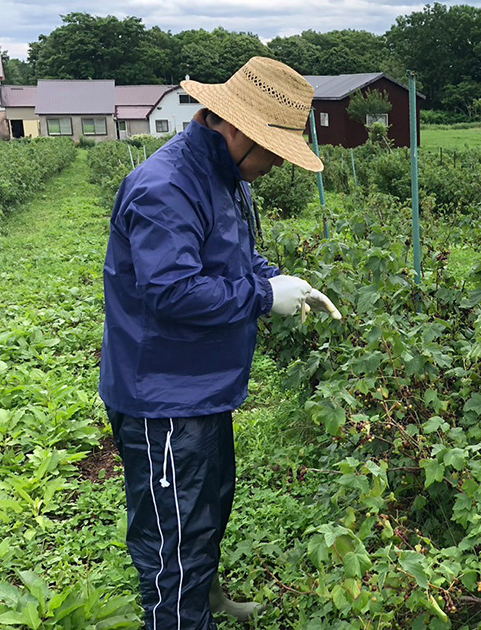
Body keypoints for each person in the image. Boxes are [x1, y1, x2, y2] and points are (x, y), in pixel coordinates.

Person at [99, 57, 341, 629]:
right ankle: (180, 616)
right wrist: (261, 297)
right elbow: (172, 292)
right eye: (273, 151)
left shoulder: (227, 178)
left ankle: (202, 597)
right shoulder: (166, 188)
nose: (278, 165)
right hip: (162, 393)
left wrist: (278, 280)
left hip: (202, 385)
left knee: (205, 509)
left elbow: (235, 256)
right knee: (171, 532)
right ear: (234, 130)